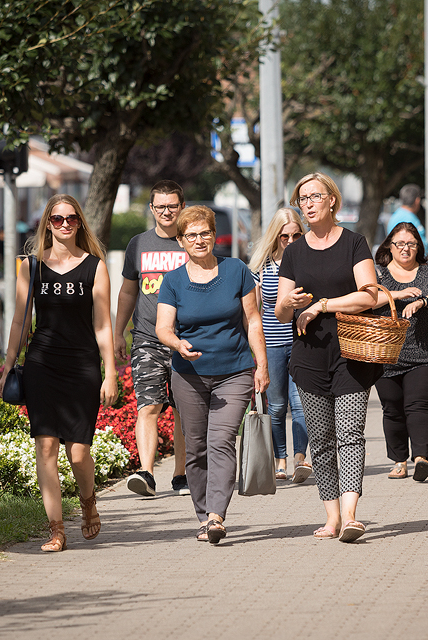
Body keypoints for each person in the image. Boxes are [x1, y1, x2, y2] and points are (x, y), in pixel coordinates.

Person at [0, 194, 119, 552]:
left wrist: (109, 371)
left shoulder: (95, 266)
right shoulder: (30, 266)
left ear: (79, 222)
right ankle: (56, 530)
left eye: (70, 219)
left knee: (78, 452)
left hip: (82, 365)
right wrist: (8, 364)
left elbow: (102, 325)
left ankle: (88, 502)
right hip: (41, 365)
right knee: (46, 446)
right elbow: (20, 320)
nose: (64, 224)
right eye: (57, 219)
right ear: (47, 224)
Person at [275, 172, 382, 543]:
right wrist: (288, 304)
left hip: (352, 354)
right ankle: (332, 517)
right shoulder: (294, 251)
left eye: (314, 196)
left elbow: (369, 295)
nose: (307, 204)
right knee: (320, 438)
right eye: (302, 199)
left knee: (350, 433)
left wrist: (322, 305)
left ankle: (352, 515)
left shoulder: (354, 243)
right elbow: (279, 312)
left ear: (332, 200)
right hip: (307, 358)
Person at [156, 205, 269, 544]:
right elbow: (163, 327)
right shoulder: (173, 281)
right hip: (188, 375)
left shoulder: (236, 270)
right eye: (191, 235)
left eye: (205, 233)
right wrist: (178, 343)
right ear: (181, 241)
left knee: (221, 441)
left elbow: (252, 320)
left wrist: (261, 364)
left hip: (233, 371)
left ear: (214, 235)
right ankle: (203, 515)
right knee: (197, 448)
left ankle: (217, 515)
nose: (199, 239)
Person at [115, 180, 189, 497]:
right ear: (151, 209)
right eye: (160, 206)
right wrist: (118, 331)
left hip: (187, 339)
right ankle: (146, 473)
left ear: (181, 207)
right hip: (146, 337)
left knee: (186, 409)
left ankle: (182, 474)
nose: (166, 212)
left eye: (172, 206)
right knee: (149, 405)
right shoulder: (139, 244)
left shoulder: (192, 242)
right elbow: (128, 291)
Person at [373, 222, 428, 482]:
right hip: (386, 355)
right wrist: (397, 294)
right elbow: (367, 299)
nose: (405, 248)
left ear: (418, 247)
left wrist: (423, 301)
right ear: (389, 246)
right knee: (392, 408)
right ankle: (399, 460)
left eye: (411, 244)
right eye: (400, 244)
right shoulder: (378, 275)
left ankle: (421, 458)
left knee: (418, 405)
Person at [248, 208, 312, 483]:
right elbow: (253, 312)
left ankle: (300, 458)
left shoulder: (308, 260)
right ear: (276, 235)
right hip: (272, 343)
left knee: (301, 404)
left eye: (297, 234)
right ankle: (280, 460)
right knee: (275, 406)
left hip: (303, 341)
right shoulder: (262, 265)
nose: (291, 240)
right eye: (285, 235)